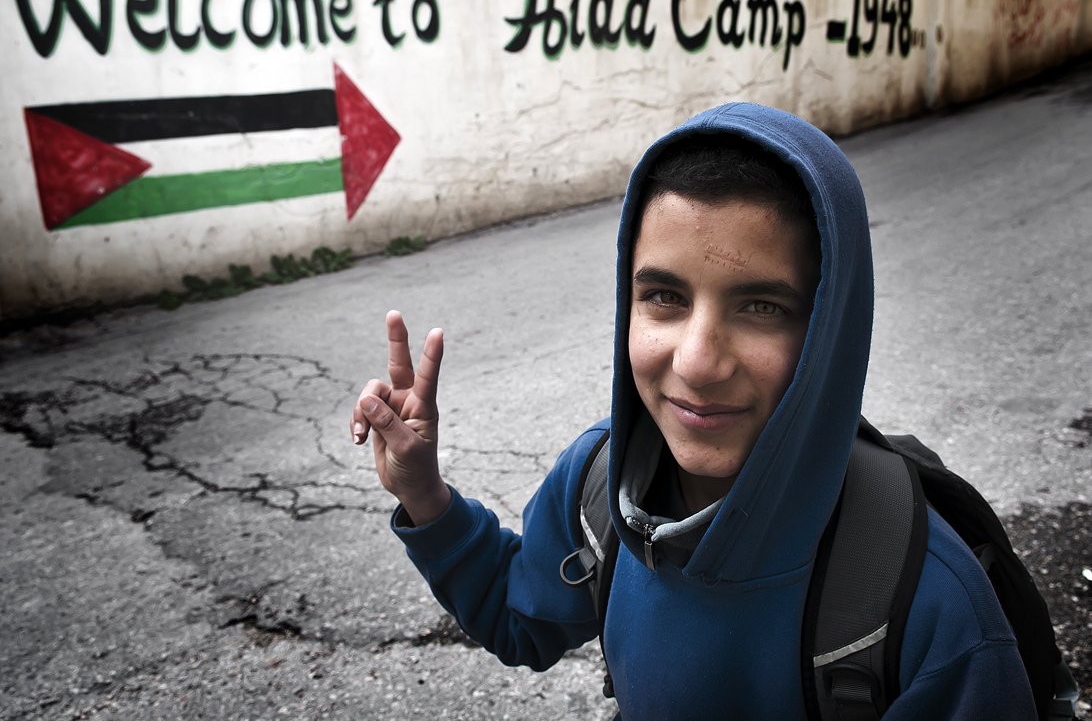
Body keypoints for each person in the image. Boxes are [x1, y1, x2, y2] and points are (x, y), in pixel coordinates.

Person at [350, 103, 1036, 719]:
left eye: (761, 306)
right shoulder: (598, 483)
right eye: (664, 298)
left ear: (829, 328)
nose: (698, 362)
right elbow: (518, 619)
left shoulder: (932, 607)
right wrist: (423, 494)